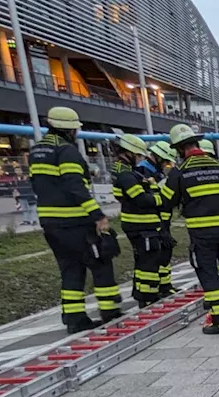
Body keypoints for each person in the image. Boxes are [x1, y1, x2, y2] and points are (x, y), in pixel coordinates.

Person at [29, 107, 121, 333]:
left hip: (50, 223)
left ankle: (74, 319)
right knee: (100, 262)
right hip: (75, 222)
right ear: (69, 129)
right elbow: (75, 186)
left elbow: (39, 184)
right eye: (75, 129)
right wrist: (97, 215)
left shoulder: (37, 151)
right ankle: (110, 311)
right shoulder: (66, 151)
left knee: (71, 270)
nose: (77, 133)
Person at [162, 123, 219, 334]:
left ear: (179, 149)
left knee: (209, 275)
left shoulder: (179, 173)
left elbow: (166, 202)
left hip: (202, 236)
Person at [110, 134, 165, 308]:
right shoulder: (126, 175)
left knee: (143, 260)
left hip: (139, 224)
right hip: (141, 224)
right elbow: (141, 200)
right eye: (139, 155)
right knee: (149, 261)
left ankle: (142, 294)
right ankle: (149, 297)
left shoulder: (126, 172)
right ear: (129, 153)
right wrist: (158, 198)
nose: (140, 159)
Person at [146, 140, 179, 297]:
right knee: (157, 254)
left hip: (164, 219)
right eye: (166, 161)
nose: (167, 165)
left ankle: (165, 286)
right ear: (158, 157)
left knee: (166, 251)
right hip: (153, 220)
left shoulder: (156, 172)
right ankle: (155, 290)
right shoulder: (145, 171)